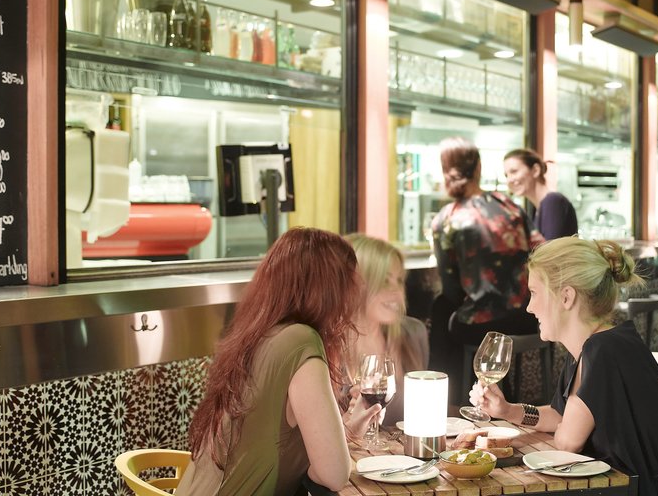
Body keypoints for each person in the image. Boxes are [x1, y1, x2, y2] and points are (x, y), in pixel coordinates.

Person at [470, 237, 658, 496]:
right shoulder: (593, 347)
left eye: (534, 293)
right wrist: (507, 410)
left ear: (566, 297)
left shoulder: (604, 350)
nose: (529, 307)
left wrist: (564, 426)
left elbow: (568, 441)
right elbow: (559, 416)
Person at [179, 228, 381, 496]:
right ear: (329, 289)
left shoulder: (259, 334)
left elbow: (272, 442)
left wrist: (342, 436)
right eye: (348, 284)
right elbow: (333, 475)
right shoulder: (301, 341)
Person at [429, 137, 542, 395]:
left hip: (484, 326)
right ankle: (502, 394)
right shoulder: (510, 206)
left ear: (446, 171)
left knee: (442, 311)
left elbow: (451, 289)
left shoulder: (447, 219)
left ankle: (453, 401)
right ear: (478, 168)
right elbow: (540, 251)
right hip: (526, 319)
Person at [345, 233, 429, 427]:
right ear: (355, 284)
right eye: (384, 280)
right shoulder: (324, 344)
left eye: (399, 281)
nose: (397, 291)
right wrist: (345, 422)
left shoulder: (413, 334)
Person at [503, 148, 578, 240]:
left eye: (514, 172)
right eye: (506, 175)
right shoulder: (539, 208)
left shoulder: (553, 201)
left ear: (535, 170)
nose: (509, 180)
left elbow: (549, 250)